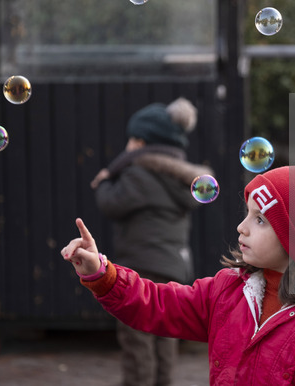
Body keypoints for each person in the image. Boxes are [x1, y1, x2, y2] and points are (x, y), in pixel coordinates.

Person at [62, 160, 295, 385]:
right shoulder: (226, 291)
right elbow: (158, 304)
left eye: (260, 220)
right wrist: (102, 273)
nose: (242, 227)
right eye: (247, 214)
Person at [90, 97, 213, 386]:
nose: (129, 145)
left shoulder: (138, 174)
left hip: (140, 264)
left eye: (133, 139)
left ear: (144, 143)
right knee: (165, 332)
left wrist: (105, 181)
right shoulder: (182, 180)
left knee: (136, 333)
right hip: (173, 266)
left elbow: (111, 203)